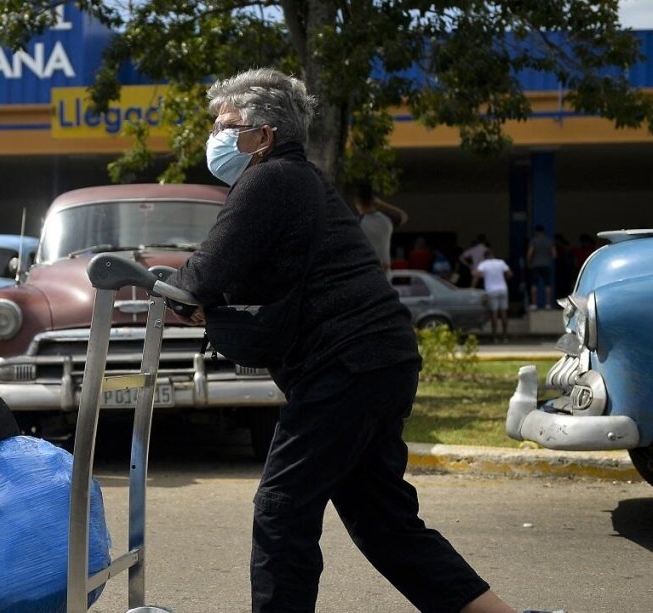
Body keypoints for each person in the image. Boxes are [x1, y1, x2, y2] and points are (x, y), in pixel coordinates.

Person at [168, 68, 526, 613]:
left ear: (263, 136)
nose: (216, 136)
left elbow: (205, 274)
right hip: (381, 360)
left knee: (282, 505)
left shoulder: (268, 180)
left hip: (345, 365)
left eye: (227, 125)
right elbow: (254, 272)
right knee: (383, 520)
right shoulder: (301, 182)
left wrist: (181, 293)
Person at [354, 182, 409, 271]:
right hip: (384, 273)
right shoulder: (386, 221)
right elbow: (403, 216)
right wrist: (381, 204)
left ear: (358, 202)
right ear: (373, 200)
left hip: (365, 272)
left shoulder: (357, 224)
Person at [472, 249, 513, 343]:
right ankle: (505, 336)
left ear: (485, 257)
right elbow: (510, 274)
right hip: (503, 289)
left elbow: (477, 275)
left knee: (494, 313)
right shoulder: (501, 262)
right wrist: (503, 279)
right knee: (504, 312)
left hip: (491, 290)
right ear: (493, 255)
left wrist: (472, 287)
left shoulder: (484, 264)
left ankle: (495, 337)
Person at [525, 225, 556, 310]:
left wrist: (529, 263)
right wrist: (548, 258)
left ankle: (534, 304)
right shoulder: (549, 240)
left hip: (536, 265)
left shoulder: (534, 241)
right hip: (547, 264)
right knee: (548, 285)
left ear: (536, 232)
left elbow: (529, 253)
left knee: (534, 285)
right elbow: (554, 254)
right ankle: (548, 304)